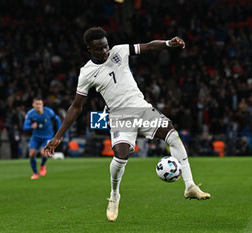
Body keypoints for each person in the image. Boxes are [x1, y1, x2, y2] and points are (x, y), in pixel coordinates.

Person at [43, 27, 210, 221]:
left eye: (105, 46)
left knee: (172, 135)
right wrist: (58, 136)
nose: (104, 51)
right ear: (89, 49)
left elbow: (148, 46)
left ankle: (190, 186)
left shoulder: (119, 51)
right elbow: (76, 107)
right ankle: (114, 195)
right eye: (99, 49)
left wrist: (167, 44)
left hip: (141, 108)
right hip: (120, 116)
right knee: (121, 156)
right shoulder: (87, 73)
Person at [23, 97, 61, 179]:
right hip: (36, 136)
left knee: (43, 153)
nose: (38, 106)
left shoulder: (48, 111)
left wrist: (59, 133)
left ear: (42, 104)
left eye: (40, 104)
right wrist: (31, 127)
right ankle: (35, 173)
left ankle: (42, 165)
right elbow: (25, 127)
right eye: (36, 104)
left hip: (47, 136)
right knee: (32, 154)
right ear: (33, 105)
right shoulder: (30, 113)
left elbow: (57, 119)